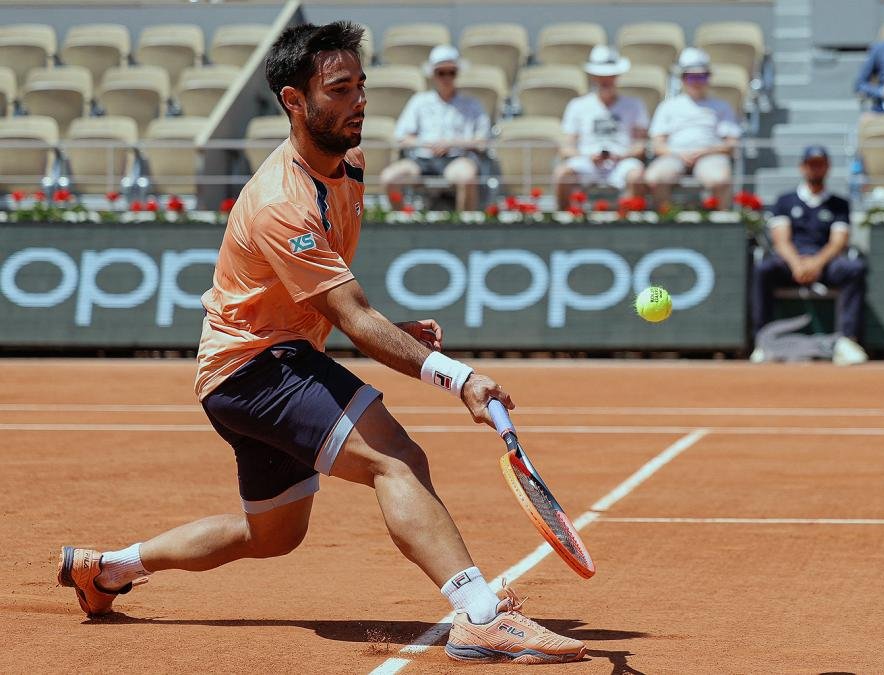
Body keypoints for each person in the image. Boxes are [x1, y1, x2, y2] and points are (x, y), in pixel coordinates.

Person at [56, 22, 585, 665]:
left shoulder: (350, 165)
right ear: (294, 101)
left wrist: (392, 332)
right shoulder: (281, 201)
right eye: (339, 89)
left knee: (271, 534)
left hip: (253, 368)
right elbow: (354, 317)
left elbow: (343, 305)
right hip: (255, 366)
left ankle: (106, 568)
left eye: (361, 86)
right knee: (397, 457)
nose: (358, 101)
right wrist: (458, 377)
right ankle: (480, 616)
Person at [751, 145, 868, 366]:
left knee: (854, 269)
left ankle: (847, 341)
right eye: (810, 164)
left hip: (825, 262)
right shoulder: (784, 201)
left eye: (819, 164)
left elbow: (838, 242)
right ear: (802, 167)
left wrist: (816, 263)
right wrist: (797, 263)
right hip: (790, 262)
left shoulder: (839, 204)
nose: (815, 169)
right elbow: (781, 240)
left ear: (827, 168)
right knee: (763, 270)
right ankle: (763, 341)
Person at [379, 45, 490, 212]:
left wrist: (452, 143)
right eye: (441, 72)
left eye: (451, 72)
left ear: (457, 74)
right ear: (433, 75)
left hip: (457, 159)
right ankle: (405, 223)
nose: (446, 77)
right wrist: (427, 144)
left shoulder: (472, 104)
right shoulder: (419, 101)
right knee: (389, 178)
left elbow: (483, 141)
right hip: (422, 160)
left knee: (467, 178)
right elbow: (402, 137)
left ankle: (464, 230)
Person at [644, 47, 741, 210]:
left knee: (720, 180)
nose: (696, 82)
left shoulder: (722, 106)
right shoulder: (668, 106)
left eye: (701, 77)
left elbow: (731, 144)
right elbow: (657, 144)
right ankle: (665, 220)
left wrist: (705, 152)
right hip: (674, 155)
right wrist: (679, 154)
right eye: (690, 77)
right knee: (654, 178)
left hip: (710, 156)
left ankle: (719, 224)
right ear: (682, 79)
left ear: (708, 78)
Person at [553, 45, 648, 210]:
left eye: (609, 75)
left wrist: (622, 155)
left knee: (637, 176)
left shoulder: (634, 105)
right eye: (600, 75)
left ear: (617, 76)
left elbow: (640, 144)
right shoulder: (578, 105)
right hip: (587, 161)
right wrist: (588, 156)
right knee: (562, 174)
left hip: (622, 162)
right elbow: (566, 146)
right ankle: (565, 219)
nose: (605, 80)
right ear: (593, 77)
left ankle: (629, 221)